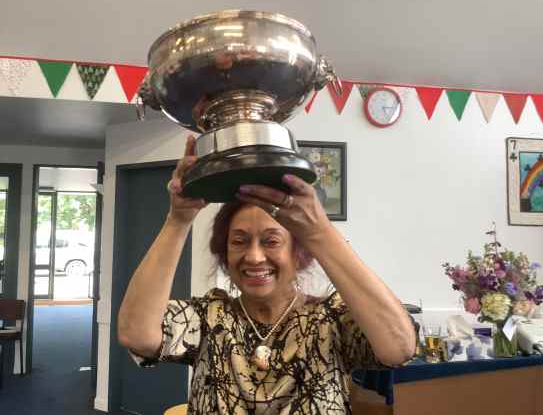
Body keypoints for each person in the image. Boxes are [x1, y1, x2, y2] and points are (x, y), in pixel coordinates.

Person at [118, 135, 415, 414]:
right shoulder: (210, 318)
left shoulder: (330, 319)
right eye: (239, 241)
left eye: (271, 241)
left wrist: (319, 231)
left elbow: (399, 347)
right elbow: (136, 334)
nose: (254, 256)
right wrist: (178, 219)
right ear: (224, 253)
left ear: (297, 253)